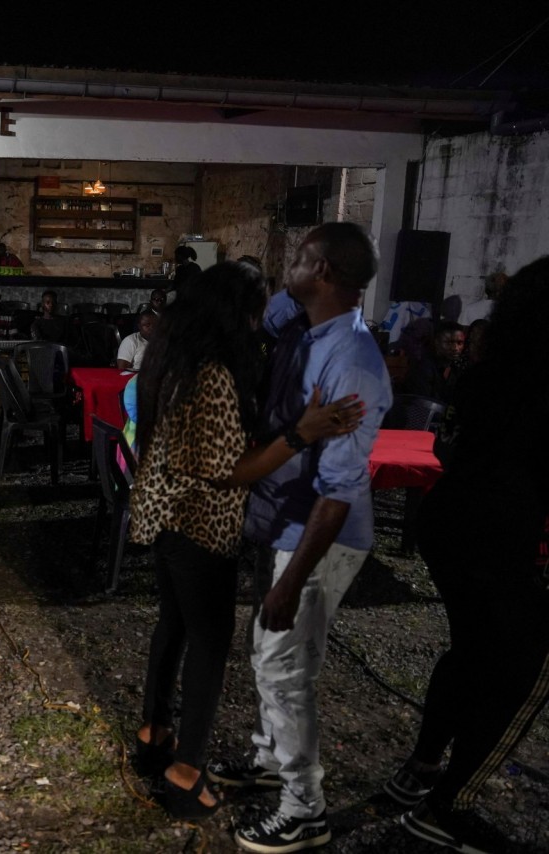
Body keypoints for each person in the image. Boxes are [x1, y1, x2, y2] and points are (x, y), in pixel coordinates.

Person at [128, 264, 364, 821]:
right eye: (256, 310)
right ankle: (185, 774)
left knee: (174, 624)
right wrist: (300, 434)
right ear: (235, 313)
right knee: (210, 643)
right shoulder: (210, 373)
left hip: (162, 511)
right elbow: (227, 470)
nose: (261, 321)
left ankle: (153, 734)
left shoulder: (170, 355)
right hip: (196, 521)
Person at [210, 223, 392, 853]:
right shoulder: (303, 322)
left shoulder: (351, 360)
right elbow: (265, 318)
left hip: (316, 532)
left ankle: (302, 807)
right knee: (270, 659)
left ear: (324, 272)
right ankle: (269, 758)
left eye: (300, 257)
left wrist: (293, 579)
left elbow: (339, 490)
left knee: (284, 667)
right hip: (280, 517)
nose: (287, 262)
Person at [385, 256, 549, 854]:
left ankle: (422, 768)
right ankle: (450, 802)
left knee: (471, 650)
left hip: (449, 525)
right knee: (526, 668)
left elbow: (449, 447)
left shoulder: (485, 373)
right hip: (501, 538)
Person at [404, 320, 465, 402]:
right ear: (437, 342)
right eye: (449, 343)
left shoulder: (457, 369)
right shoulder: (423, 367)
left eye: (459, 343)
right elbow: (423, 404)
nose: (455, 348)